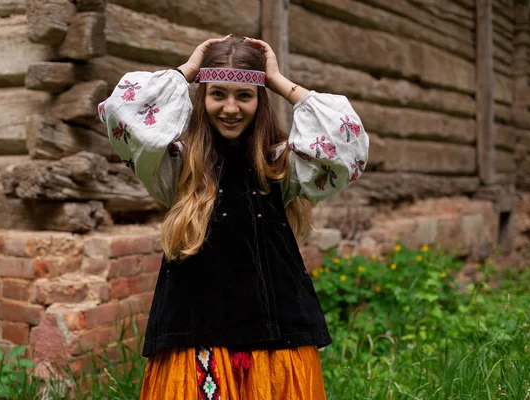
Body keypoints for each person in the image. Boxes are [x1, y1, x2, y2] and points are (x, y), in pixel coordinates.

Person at [99, 35, 369, 400]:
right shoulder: (177, 164)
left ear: (260, 101)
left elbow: (348, 143)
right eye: (218, 94)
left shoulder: (280, 164)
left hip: (277, 332)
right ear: (202, 96)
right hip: (194, 331)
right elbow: (121, 111)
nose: (230, 108)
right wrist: (187, 71)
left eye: (244, 95)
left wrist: (278, 82)